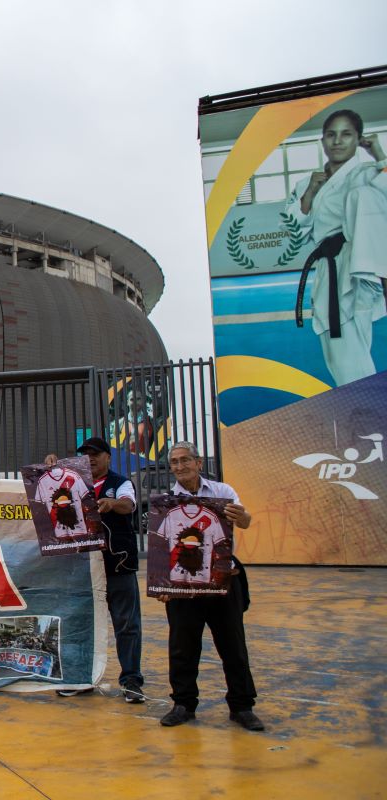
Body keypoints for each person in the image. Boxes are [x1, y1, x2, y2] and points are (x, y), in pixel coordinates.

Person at [157, 441, 263, 732]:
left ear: (198, 463)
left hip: (222, 580)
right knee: (182, 647)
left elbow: (245, 521)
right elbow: (161, 548)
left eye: (185, 460)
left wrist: (241, 517)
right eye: (174, 462)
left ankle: (242, 706)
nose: (179, 466)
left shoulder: (223, 493)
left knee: (233, 646)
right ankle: (183, 704)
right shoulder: (165, 503)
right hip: (184, 584)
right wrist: (162, 583)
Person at [285, 109, 387, 386]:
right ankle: (362, 411)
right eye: (331, 135)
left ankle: (366, 411)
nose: (338, 141)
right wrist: (310, 194)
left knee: (349, 340)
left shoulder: (366, 174)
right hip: (326, 266)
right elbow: (295, 231)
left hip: (358, 265)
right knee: (334, 340)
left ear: (359, 139)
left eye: (346, 134)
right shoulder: (307, 182)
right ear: (323, 141)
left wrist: (378, 153)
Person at [48, 437, 144, 703]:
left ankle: (132, 681)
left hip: (117, 565)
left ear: (108, 457)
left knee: (127, 625)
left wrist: (112, 504)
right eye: (86, 454)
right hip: (81, 569)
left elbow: (128, 504)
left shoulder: (121, 483)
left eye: (96, 454)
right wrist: (50, 468)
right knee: (80, 625)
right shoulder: (71, 481)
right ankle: (81, 679)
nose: (90, 458)